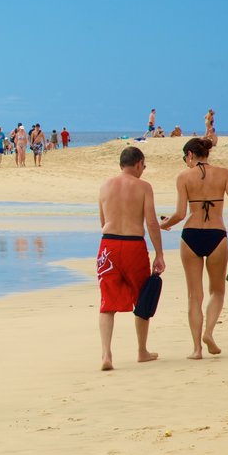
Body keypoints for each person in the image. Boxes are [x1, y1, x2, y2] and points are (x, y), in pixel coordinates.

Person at [160, 138, 228, 360]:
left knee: (194, 295)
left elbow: (181, 214)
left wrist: (165, 224)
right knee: (217, 291)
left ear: (190, 154)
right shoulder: (224, 174)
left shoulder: (183, 177)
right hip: (216, 235)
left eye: (185, 158)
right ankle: (209, 332)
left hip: (191, 235)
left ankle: (196, 350)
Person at [97, 146, 165, 371]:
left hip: (108, 243)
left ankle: (106, 354)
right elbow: (152, 222)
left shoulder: (105, 186)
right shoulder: (143, 187)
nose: (143, 170)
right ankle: (142, 351)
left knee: (107, 302)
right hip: (134, 245)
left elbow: (102, 220)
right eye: (143, 166)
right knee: (142, 298)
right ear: (138, 164)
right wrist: (159, 253)